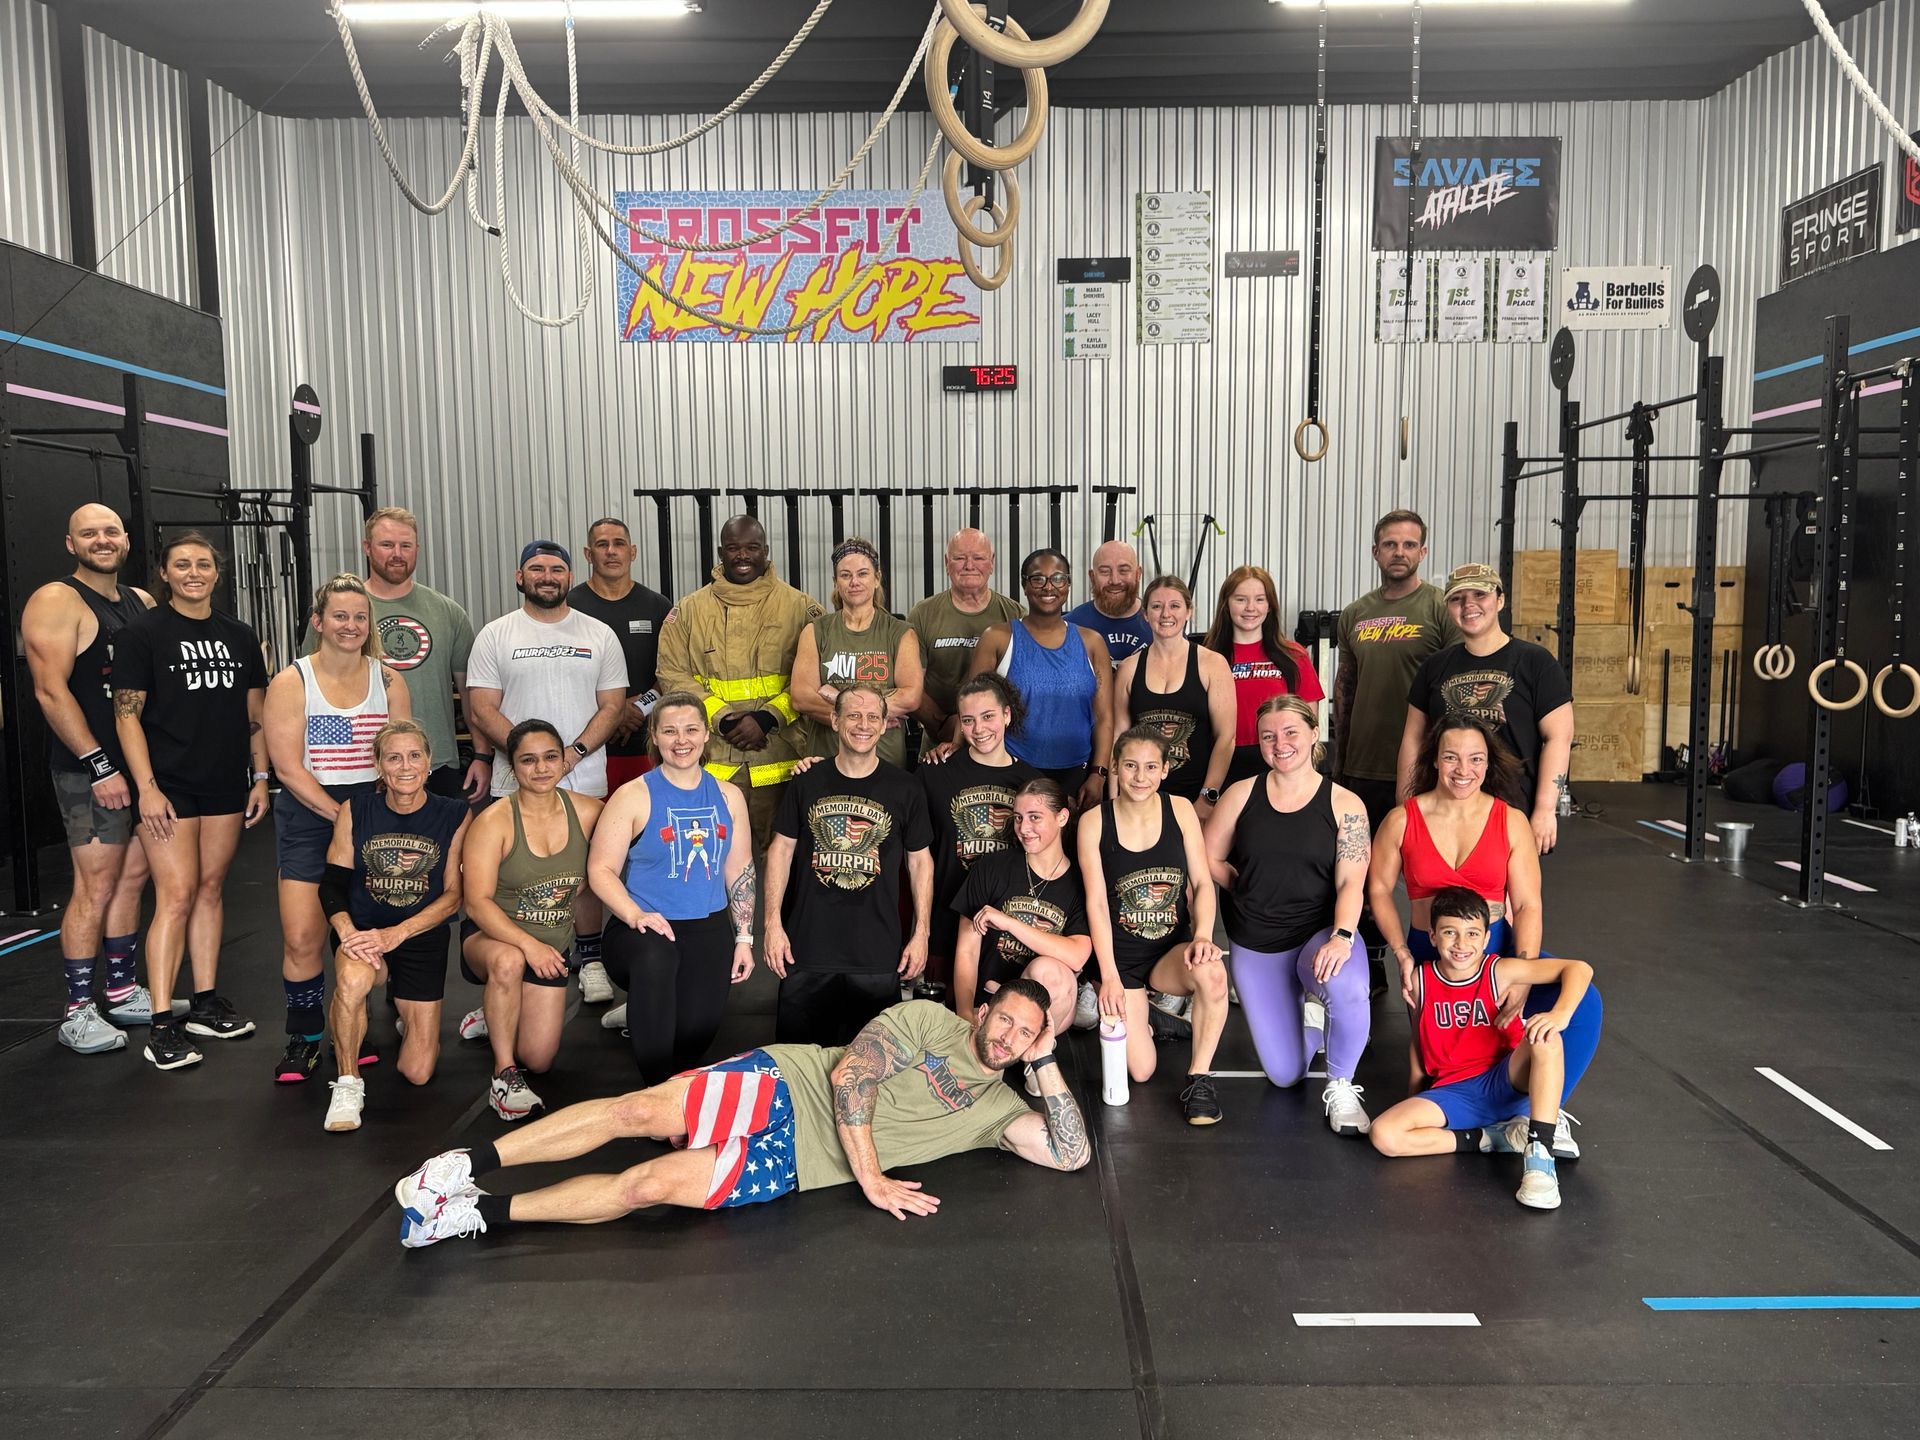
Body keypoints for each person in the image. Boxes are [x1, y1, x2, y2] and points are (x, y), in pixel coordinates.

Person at [391, 982, 1089, 1247]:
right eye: (1006, 1021)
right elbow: (851, 1074)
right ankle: (464, 1164)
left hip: (799, 1164)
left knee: (647, 1187)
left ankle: (476, 1212)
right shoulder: (930, 1020)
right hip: (790, 1082)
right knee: (637, 1110)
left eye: (1026, 1034)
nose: (1008, 1038)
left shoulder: (998, 1106)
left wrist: (1048, 1063)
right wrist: (872, 1179)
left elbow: (1070, 1154)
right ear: (984, 1009)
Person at [1370, 716, 1602, 1159]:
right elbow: (1379, 889)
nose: (1464, 769)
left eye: (1475, 759)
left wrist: (1524, 974)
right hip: (1430, 947)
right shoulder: (1402, 819)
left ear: (1487, 763)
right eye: (1452, 757)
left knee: (1583, 1001)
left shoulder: (1509, 820)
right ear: (1435, 760)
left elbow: (1529, 903)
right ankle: (1479, 1122)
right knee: (1452, 1048)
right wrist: (1400, 951)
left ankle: (1540, 1115)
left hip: (1498, 947)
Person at [112, 532, 270, 1071]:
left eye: (204, 564)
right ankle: (161, 1024)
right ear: (166, 572)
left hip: (225, 780)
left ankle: (204, 1002)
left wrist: (260, 775)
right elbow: (127, 715)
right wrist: (147, 788)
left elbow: (256, 710)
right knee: (175, 895)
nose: (194, 572)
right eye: (183, 564)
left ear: (217, 573)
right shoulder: (142, 633)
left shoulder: (240, 635)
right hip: (169, 785)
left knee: (208, 888)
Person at [22, 504, 163, 1054]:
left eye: (110, 531)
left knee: (131, 881)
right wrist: (99, 764)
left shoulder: (141, 602)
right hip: (92, 773)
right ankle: (77, 1009)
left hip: (142, 768)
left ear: (126, 540)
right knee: (95, 885)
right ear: (70, 542)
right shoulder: (56, 600)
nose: (101, 540)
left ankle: (122, 989)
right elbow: (50, 691)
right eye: (89, 533)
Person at [465, 540, 626, 1011]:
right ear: (520, 577)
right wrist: (534, 757)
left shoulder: (598, 634)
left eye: (557, 569)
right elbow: (481, 707)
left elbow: (613, 705)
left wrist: (570, 754)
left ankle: (591, 959)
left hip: (585, 773)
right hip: (514, 780)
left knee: (587, 872)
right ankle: (502, 983)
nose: (547, 576)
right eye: (537, 568)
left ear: (569, 577)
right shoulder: (496, 635)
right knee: (511, 879)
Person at [265, 575, 411, 1084]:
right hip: (312, 815)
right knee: (304, 937)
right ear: (319, 622)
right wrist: (339, 816)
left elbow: (402, 758)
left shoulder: (389, 681)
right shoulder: (292, 681)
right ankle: (303, 1039)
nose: (351, 626)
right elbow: (287, 766)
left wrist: (375, 817)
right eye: (340, 616)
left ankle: (355, 1024)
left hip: (374, 813)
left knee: (363, 938)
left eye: (360, 617)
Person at [1203, 697, 1372, 1135]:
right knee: (1285, 1074)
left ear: (1314, 733)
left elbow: (1351, 882)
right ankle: (1312, 1018)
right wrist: (1240, 885)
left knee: (1347, 984)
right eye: (1268, 736)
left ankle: (1341, 1087)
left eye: (1291, 732)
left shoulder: (1345, 804)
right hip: (1258, 942)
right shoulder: (1241, 794)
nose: (1280, 744)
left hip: (1318, 936)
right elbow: (1207, 857)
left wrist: (1341, 936)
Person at [1370, 888, 1594, 1212]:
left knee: (1545, 1037)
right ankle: (1493, 1138)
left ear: (1487, 938)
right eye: (1450, 933)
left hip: (1503, 1078)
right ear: (1432, 936)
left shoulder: (1499, 971)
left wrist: (1559, 1014)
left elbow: (1579, 969)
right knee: (1384, 1135)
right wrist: (1414, 1094)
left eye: (1472, 934)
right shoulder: (1419, 980)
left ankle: (1539, 1155)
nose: (1462, 945)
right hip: (1454, 1092)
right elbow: (1419, 1040)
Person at [585, 692, 756, 1084]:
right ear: (655, 736)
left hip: (707, 927)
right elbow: (601, 869)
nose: (682, 740)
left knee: (695, 1036)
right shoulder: (633, 795)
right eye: (671, 731)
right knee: (657, 963)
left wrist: (744, 937)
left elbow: (740, 870)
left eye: (691, 729)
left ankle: (647, 1011)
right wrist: (635, 914)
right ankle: (655, 1091)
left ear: (706, 735)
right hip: (643, 928)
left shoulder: (729, 796)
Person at [319, 719, 470, 1132]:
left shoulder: (455, 814)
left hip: (419, 935)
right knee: (351, 983)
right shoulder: (356, 810)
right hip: (365, 930)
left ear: (429, 761)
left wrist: (398, 934)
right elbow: (332, 884)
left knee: (418, 1071)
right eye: (394, 757)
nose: (405, 766)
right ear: (379, 766)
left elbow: (454, 896)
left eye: (414, 755)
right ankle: (348, 1082)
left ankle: (403, 1004)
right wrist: (349, 933)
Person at [765, 685, 934, 1046]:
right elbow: (780, 851)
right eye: (854, 715)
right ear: (835, 720)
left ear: (886, 724)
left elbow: (920, 862)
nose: (864, 724)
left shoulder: (906, 788)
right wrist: (772, 924)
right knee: (798, 1066)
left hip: (876, 953)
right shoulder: (806, 781)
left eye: (873, 716)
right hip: (807, 950)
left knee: (867, 1070)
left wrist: (921, 934)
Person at [1078, 726, 1228, 1125]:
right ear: (1114, 767)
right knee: (1141, 1070)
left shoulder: (1179, 810)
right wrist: (1107, 975)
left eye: (1149, 767)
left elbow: (1201, 883)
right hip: (1121, 961)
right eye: (1129, 766)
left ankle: (1199, 1079)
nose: (1139, 777)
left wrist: (1202, 936)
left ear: (1164, 770)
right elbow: (1094, 903)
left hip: (1169, 951)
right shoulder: (1093, 822)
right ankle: (1154, 1014)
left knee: (1213, 974)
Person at [458, 719, 604, 1121]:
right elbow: (477, 903)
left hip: (549, 946)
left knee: (538, 1059)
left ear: (562, 761)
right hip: (493, 938)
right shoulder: (494, 821)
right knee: (509, 963)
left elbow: (633, 842)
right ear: (512, 767)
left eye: (550, 757)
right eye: (528, 760)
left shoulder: (590, 812)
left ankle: (496, 1012)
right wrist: (529, 945)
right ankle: (504, 1077)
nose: (541, 768)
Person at [656, 514, 823, 858]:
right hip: (713, 760)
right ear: (721, 552)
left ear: (765, 551)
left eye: (751, 548)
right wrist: (725, 719)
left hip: (784, 761)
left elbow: (820, 676)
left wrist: (767, 718)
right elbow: (671, 674)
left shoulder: (801, 608)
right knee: (712, 860)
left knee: (786, 861)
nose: (742, 556)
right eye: (733, 548)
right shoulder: (688, 611)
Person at [310, 506, 489, 802]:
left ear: (416, 549)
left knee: (443, 849)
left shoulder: (448, 612)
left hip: (435, 762)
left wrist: (482, 756)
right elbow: (312, 691)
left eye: (405, 546)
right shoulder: (339, 613)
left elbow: (471, 694)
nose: (397, 554)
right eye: (387, 545)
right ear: (367, 548)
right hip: (356, 767)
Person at [1398, 563, 1574, 855]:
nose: (1469, 605)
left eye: (1479, 595)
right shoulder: (1434, 667)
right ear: (1448, 608)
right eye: (1457, 598)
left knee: (1506, 899)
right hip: (1445, 808)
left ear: (1500, 600)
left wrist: (1545, 809)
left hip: (1511, 809)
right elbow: (1413, 740)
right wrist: (1405, 809)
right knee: (1440, 896)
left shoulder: (1536, 662)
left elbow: (1559, 737)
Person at [1333, 510, 1460, 832]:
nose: (1399, 552)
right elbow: (1346, 685)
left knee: (1418, 869)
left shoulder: (1441, 607)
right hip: (1362, 765)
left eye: (1409, 544)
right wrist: (1339, 759)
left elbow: (1455, 691)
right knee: (1360, 867)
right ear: (1376, 552)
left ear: (1423, 552)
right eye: (1390, 544)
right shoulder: (1355, 613)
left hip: (1421, 765)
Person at [915, 672, 1039, 989]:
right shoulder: (934, 772)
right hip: (947, 921)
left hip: (1009, 933)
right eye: (968, 720)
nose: (979, 729)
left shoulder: (1030, 783)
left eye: (988, 717)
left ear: (1007, 714)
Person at [967, 549, 1112, 814]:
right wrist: (955, 745)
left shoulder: (1092, 642)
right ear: (1024, 585)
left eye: (1057, 578)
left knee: (1073, 852)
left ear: (1068, 584)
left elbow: (1104, 717)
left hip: (1077, 774)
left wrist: (1098, 774)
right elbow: (971, 707)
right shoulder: (998, 638)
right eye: (1037, 579)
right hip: (1012, 771)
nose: (1048, 587)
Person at [951, 779, 1091, 1044]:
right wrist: (963, 1015)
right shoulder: (992, 868)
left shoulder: (1079, 882)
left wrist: (1009, 923)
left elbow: (1077, 955)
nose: (1024, 829)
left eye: (1035, 817)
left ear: (1062, 817)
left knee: (1048, 970)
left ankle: (1032, 1055)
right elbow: (967, 951)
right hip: (991, 1002)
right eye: (1018, 818)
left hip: (1049, 1008)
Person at [790, 537, 924, 769]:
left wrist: (833, 696)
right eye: (845, 575)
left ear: (876, 578)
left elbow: (910, 696)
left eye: (862, 574)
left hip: (885, 763)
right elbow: (802, 697)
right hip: (825, 761)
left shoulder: (900, 632)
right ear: (835, 581)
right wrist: (876, 714)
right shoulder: (815, 631)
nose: (854, 582)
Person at [566, 516, 673, 795]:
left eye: (619, 544)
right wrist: (612, 712)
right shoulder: (568, 607)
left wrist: (639, 707)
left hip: (647, 746)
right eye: (602, 545)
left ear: (632, 551)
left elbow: (673, 672)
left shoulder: (658, 606)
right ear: (588, 554)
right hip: (582, 752)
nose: (611, 551)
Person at [1113, 575, 1235, 815]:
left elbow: (1226, 738)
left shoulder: (1212, 664)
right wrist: (1114, 799)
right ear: (1146, 614)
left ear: (1188, 611)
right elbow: (1119, 738)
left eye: (1175, 606)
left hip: (1195, 798)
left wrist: (1207, 798)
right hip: (1140, 798)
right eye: (1157, 606)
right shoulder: (1129, 668)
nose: (1165, 614)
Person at [1203, 565, 1323, 787]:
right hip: (1221, 763)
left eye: (1259, 599)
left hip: (1277, 758)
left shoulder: (1294, 655)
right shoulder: (1207, 657)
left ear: (1270, 606)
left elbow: (1308, 720)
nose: (1250, 608)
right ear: (1226, 605)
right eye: (1240, 599)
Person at [906, 527, 1023, 743]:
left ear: (992, 562)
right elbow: (911, 684)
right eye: (960, 558)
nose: (969, 566)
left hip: (997, 742)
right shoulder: (922, 614)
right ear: (946, 562)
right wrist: (942, 724)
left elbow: (1023, 685)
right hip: (937, 741)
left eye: (978, 558)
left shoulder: (1015, 614)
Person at [1066, 539, 1152, 666]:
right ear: (1092, 577)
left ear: (1138, 574)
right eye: (1105, 571)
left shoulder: (1161, 624)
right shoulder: (1069, 627)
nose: (1115, 580)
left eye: (1123, 570)